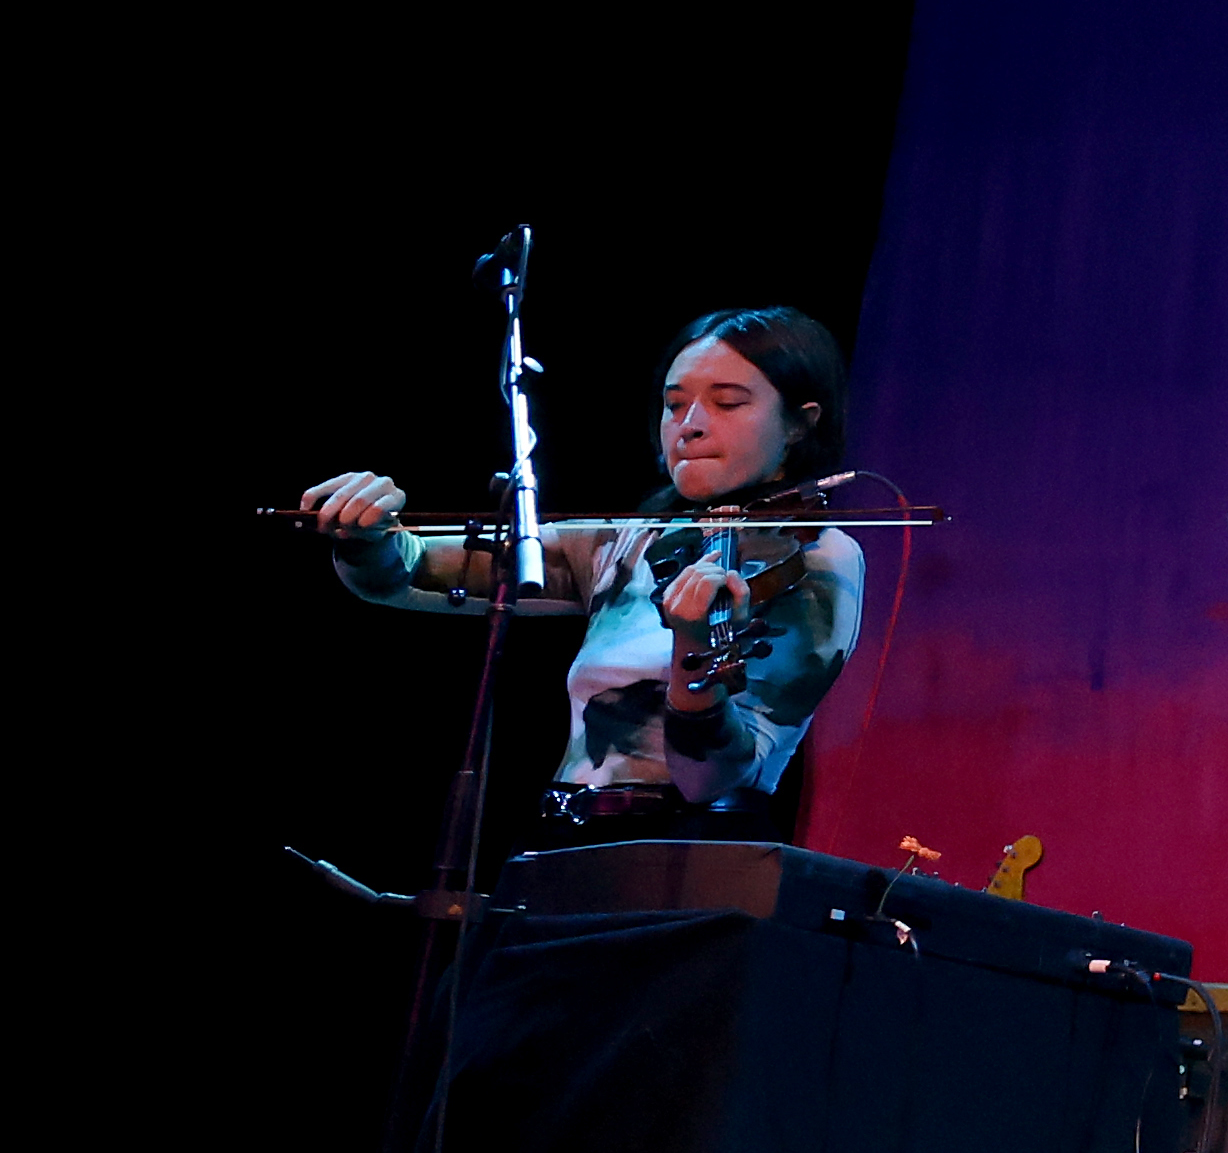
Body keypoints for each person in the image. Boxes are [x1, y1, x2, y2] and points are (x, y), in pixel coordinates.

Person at [297, 307, 871, 841]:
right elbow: (408, 572)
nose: (689, 426)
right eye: (675, 405)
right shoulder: (628, 539)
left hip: (689, 857)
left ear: (799, 424)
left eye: (727, 402)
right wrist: (366, 534)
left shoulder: (818, 557)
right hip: (566, 839)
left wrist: (693, 650)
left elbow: (714, 779)